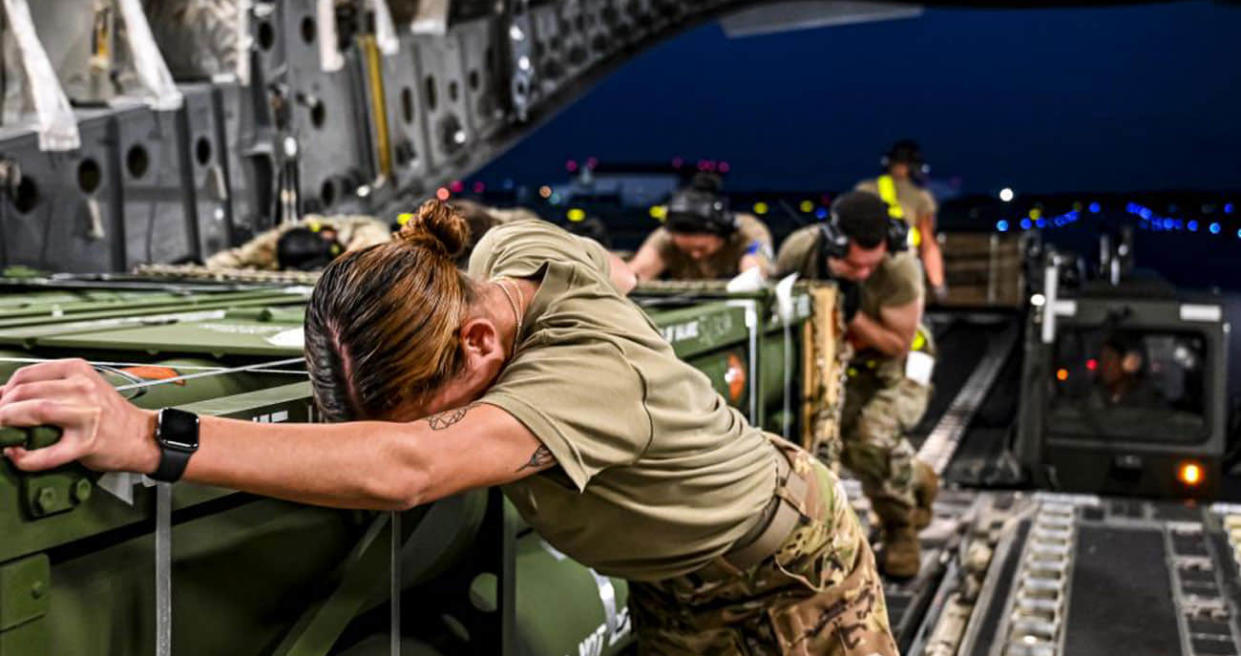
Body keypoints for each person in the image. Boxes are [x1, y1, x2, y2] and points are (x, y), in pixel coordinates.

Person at [0, 202, 897, 655]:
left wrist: (148, 436)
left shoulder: (584, 377)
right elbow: (609, 277)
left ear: (476, 343)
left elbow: (407, 470)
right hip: (672, 577)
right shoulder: (509, 259)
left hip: (786, 578)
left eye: (435, 405)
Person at [776, 191, 939, 579]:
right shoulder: (802, 251)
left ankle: (900, 528)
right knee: (828, 443)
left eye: (871, 266)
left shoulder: (900, 268)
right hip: (834, 363)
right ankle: (915, 476)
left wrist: (844, 309)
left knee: (871, 441)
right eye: (854, 265)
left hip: (896, 368)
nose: (864, 273)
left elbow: (897, 343)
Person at [628, 172, 773, 280]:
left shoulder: (747, 231)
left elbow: (756, 270)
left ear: (722, 236)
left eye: (701, 248)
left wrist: (751, 271)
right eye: (686, 250)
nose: (695, 255)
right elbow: (639, 271)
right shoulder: (666, 237)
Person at [854, 140, 946, 300]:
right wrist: (938, 283)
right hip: (902, 268)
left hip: (865, 268)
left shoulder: (865, 189)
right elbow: (927, 243)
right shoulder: (921, 197)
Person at [206, 215, 390, 271]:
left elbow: (370, 258)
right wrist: (206, 267)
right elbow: (241, 257)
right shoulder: (287, 238)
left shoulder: (370, 234)